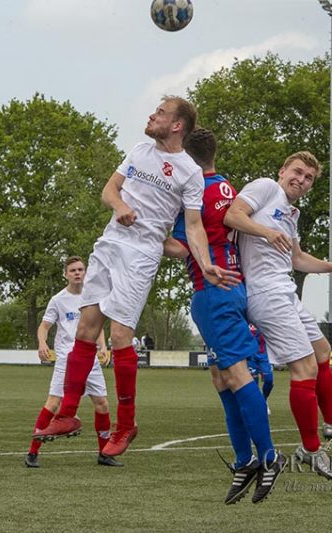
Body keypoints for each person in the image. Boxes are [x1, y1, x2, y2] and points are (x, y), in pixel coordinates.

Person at [33, 97, 238, 458]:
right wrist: (120, 206)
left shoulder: (190, 172)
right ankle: (67, 415)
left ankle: (126, 424)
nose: (152, 116)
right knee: (85, 331)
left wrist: (205, 262)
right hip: (108, 245)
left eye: (160, 113)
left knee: (119, 335)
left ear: (177, 125)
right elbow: (108, 190)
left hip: (141, 255)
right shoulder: (140, 150)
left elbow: (193, 226)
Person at [224, 150, 332, 482]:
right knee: (304, 368)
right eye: (297, 172)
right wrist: (265, 232)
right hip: (265, 293)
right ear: (282, 170)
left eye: (308, 178)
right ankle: (311, 450)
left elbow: (297, 258)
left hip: (285, 290)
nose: (301, 180)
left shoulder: (291, 213)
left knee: (322, 352)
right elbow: (233, 215)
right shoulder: (265, 187)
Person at [165, 128, 283, 503]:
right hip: (229, 287)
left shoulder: (196, 193)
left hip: (214, 290)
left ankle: (268, 457)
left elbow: (181, 247)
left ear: (186, 157)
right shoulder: (225, 187)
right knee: (221, 378)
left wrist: (145, 232)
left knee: (235, 375)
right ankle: (244, 459)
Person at [26, 256, 121, 468]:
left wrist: (102, 346)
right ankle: (32, 452)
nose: (77, 273)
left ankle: (104, 453)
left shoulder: (92, 296)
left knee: (102, 404)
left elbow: (96, 326)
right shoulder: (58, 300)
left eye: (80, 269)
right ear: (65, 274)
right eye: (73, 270)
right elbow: (44, 326)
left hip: (89, 358)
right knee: (53, 403)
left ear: (85, 272)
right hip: (66, 359)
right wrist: (42, 343)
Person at [247, 324, 274, 413]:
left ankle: (264, 399)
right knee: (254, 382)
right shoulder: (245, 321)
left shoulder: (263, 320)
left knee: (269, 380)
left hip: (265, 356)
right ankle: (258, 404)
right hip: (251, 356)